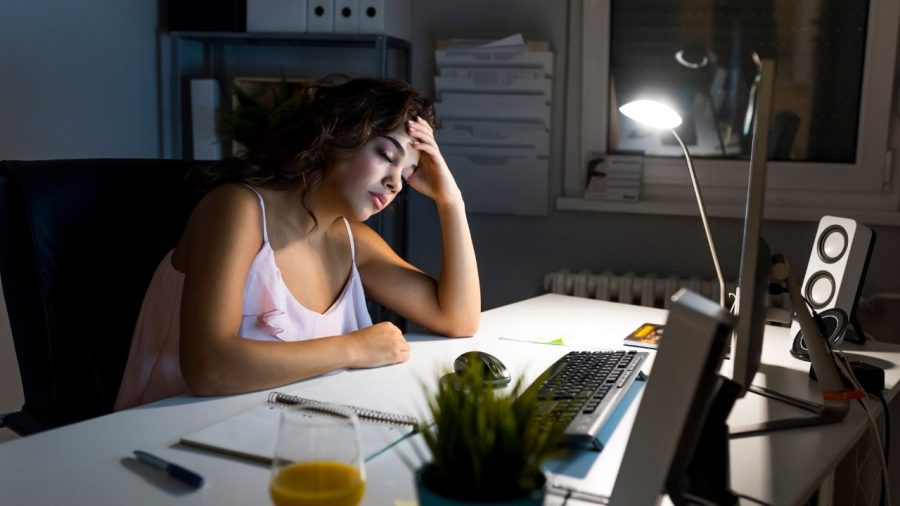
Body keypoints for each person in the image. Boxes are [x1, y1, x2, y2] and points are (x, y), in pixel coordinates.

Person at [114, 77, 480, 410]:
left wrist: (451, 200)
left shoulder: (352, 241)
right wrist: (354, 348)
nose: (396, 184)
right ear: (336, 136)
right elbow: (209, 368)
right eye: (386, 156)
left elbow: (458, 319)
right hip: (167, 442)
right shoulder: (237, 210)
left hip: (270, 432)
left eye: (407, 174)